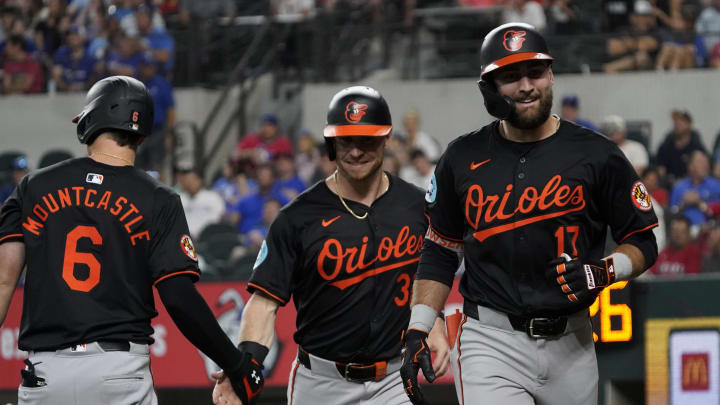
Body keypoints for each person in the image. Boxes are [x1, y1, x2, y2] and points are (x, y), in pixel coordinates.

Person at [399, 23, 659, 405]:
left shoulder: (597, 154)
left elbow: (643, 240)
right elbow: (439, 251)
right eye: (510, 76)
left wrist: (602, 272)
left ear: (550, 75)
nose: (526, 86)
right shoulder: (461, 158)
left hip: (573, 340)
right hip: (490, 339)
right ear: (489, 88)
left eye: (535, 72)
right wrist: (419, 327)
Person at [0, 76, 260, 405]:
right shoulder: (159, 198)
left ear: (89, 120)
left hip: (46, 374)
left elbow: (3, 281)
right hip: (120, 370)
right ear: (142, 133)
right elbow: (178, 297)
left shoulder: (33, 186)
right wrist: (235, 364)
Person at [211, 86, 449, 405]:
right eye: (346, 140)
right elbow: (263, 303)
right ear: (331, 143)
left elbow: (428, 275)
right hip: (321, 383)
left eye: (367, 139)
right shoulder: (296, 218)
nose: (355, 150)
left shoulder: (417, 206)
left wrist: (434, 321)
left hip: (394, 380)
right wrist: (246, 362)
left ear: (386, 138)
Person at [669, 151, 720, 228]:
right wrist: (683, 203)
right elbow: (671, 214)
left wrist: (699, 202)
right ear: (690, 166)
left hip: (708, 229)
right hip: (684, 230)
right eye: (700, 162)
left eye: (706, 162)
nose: (705, 165)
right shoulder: (679, 187)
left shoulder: (715, 185)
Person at [656, 109, 707, 184]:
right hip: (670, 183)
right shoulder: (667, 144)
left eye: (681, 121)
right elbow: (660, 169)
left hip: (692, 183)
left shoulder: (696, 145)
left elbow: (703, 168)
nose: (677, 124)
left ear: (689, 124)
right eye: (675, 121)